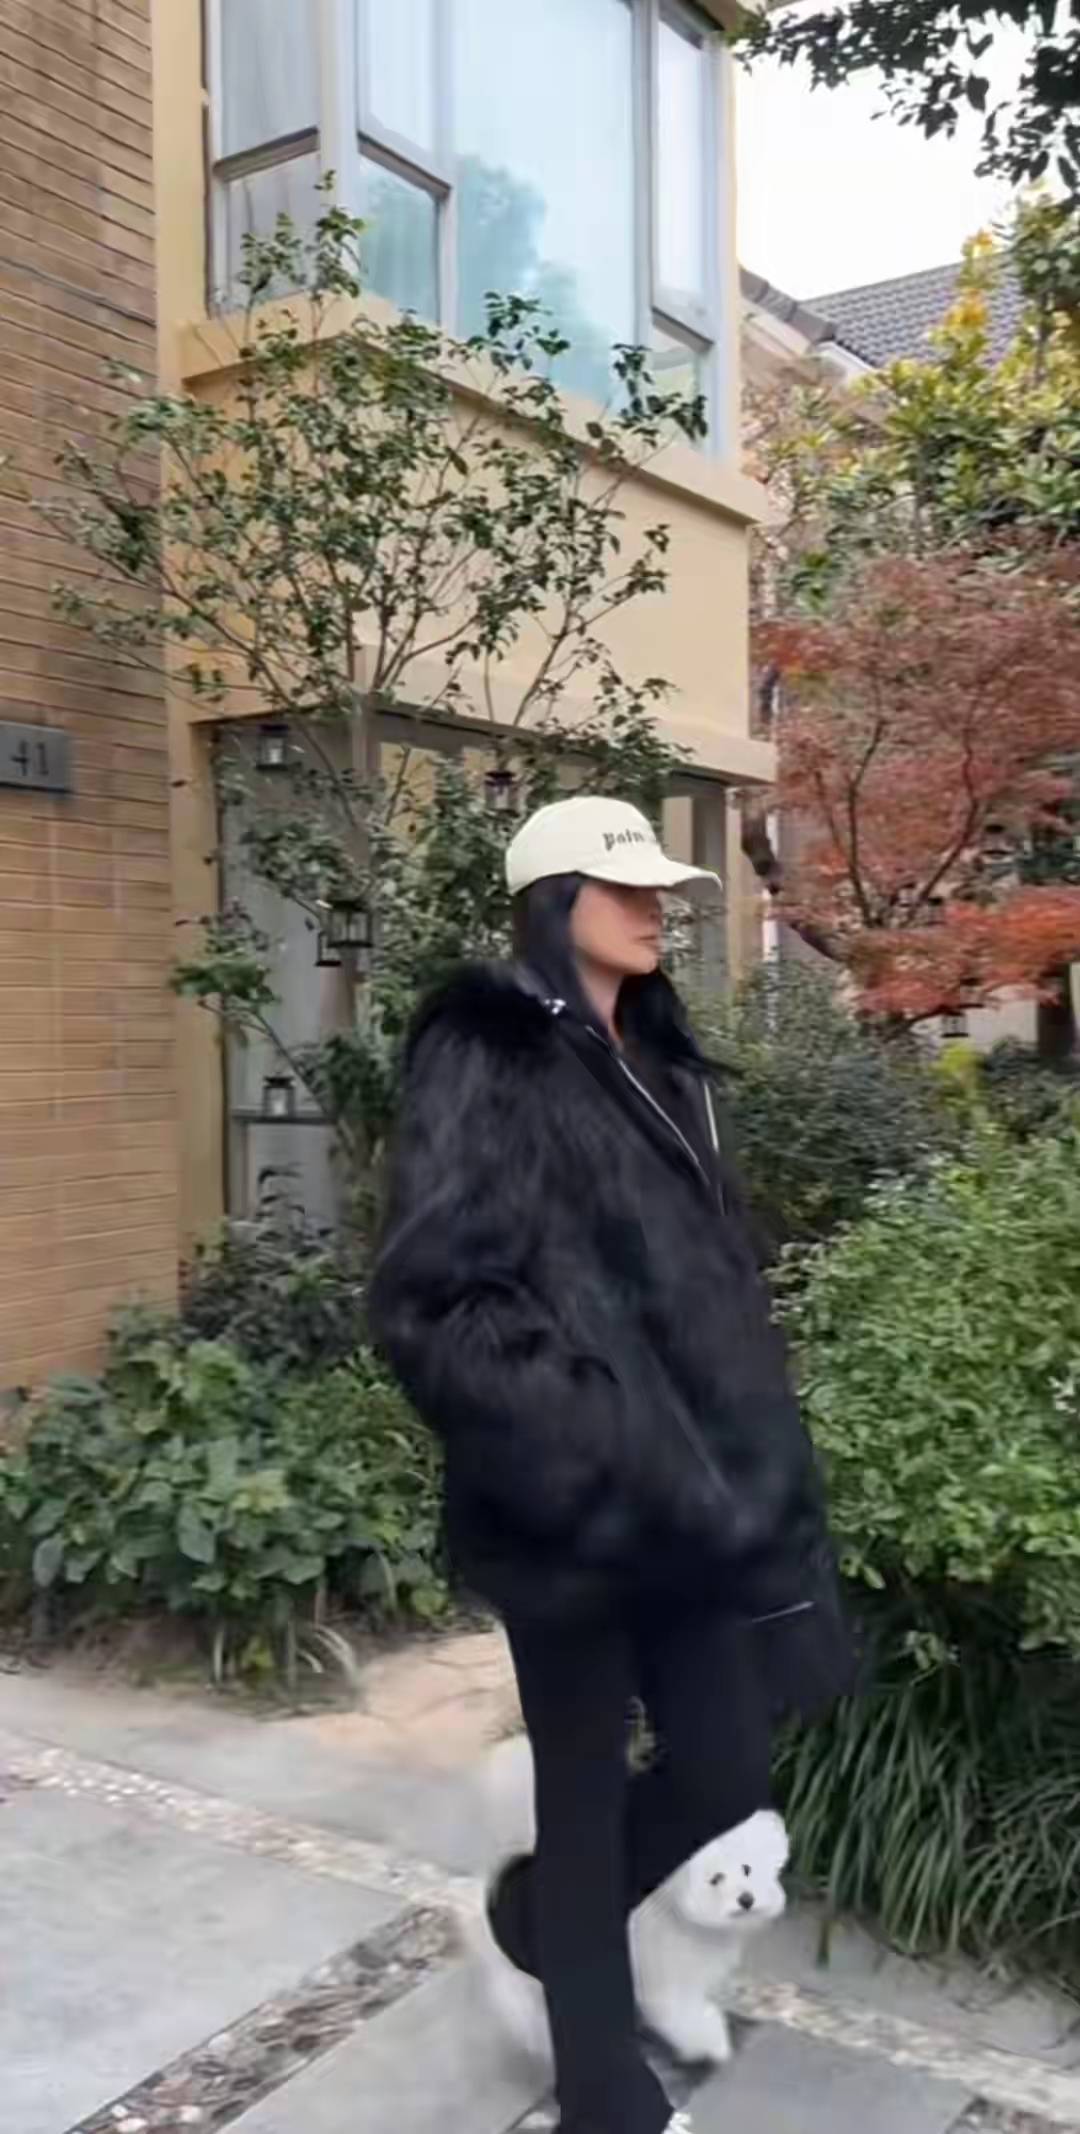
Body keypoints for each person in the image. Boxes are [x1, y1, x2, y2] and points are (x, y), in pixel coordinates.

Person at [368, 795, 853, 2134]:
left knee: (726, 1768)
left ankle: (537, 1921)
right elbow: (434, 1300)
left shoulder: (664, 1062)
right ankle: (603, 2095)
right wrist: (592, 1439)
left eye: (658, 890)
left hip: (692, 1508)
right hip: (572, 1508)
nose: (656, 910)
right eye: (625, 887)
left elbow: (705, 1291)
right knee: (582, 1794)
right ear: (554, 901)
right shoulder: (488, 1055)